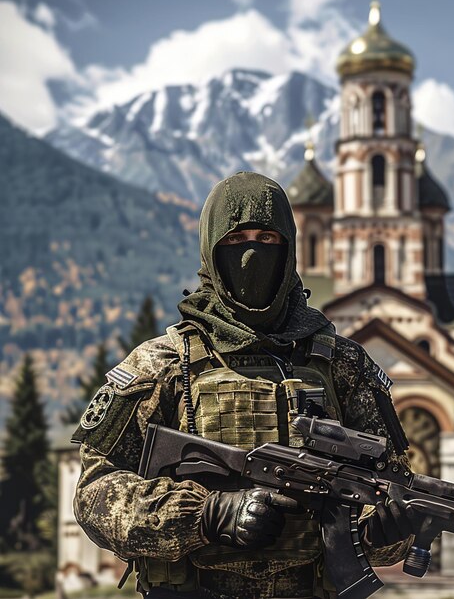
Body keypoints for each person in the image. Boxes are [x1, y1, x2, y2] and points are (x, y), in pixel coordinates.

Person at [72, 172, 424, 599]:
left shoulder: (344, 367)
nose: (252, 254)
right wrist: (205, 514)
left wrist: (385, 530)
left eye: (268, 239)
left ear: (290, 248)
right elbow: (94, 495)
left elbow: (387, 490)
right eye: (236, 241)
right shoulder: (163, 364)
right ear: (211, 249)